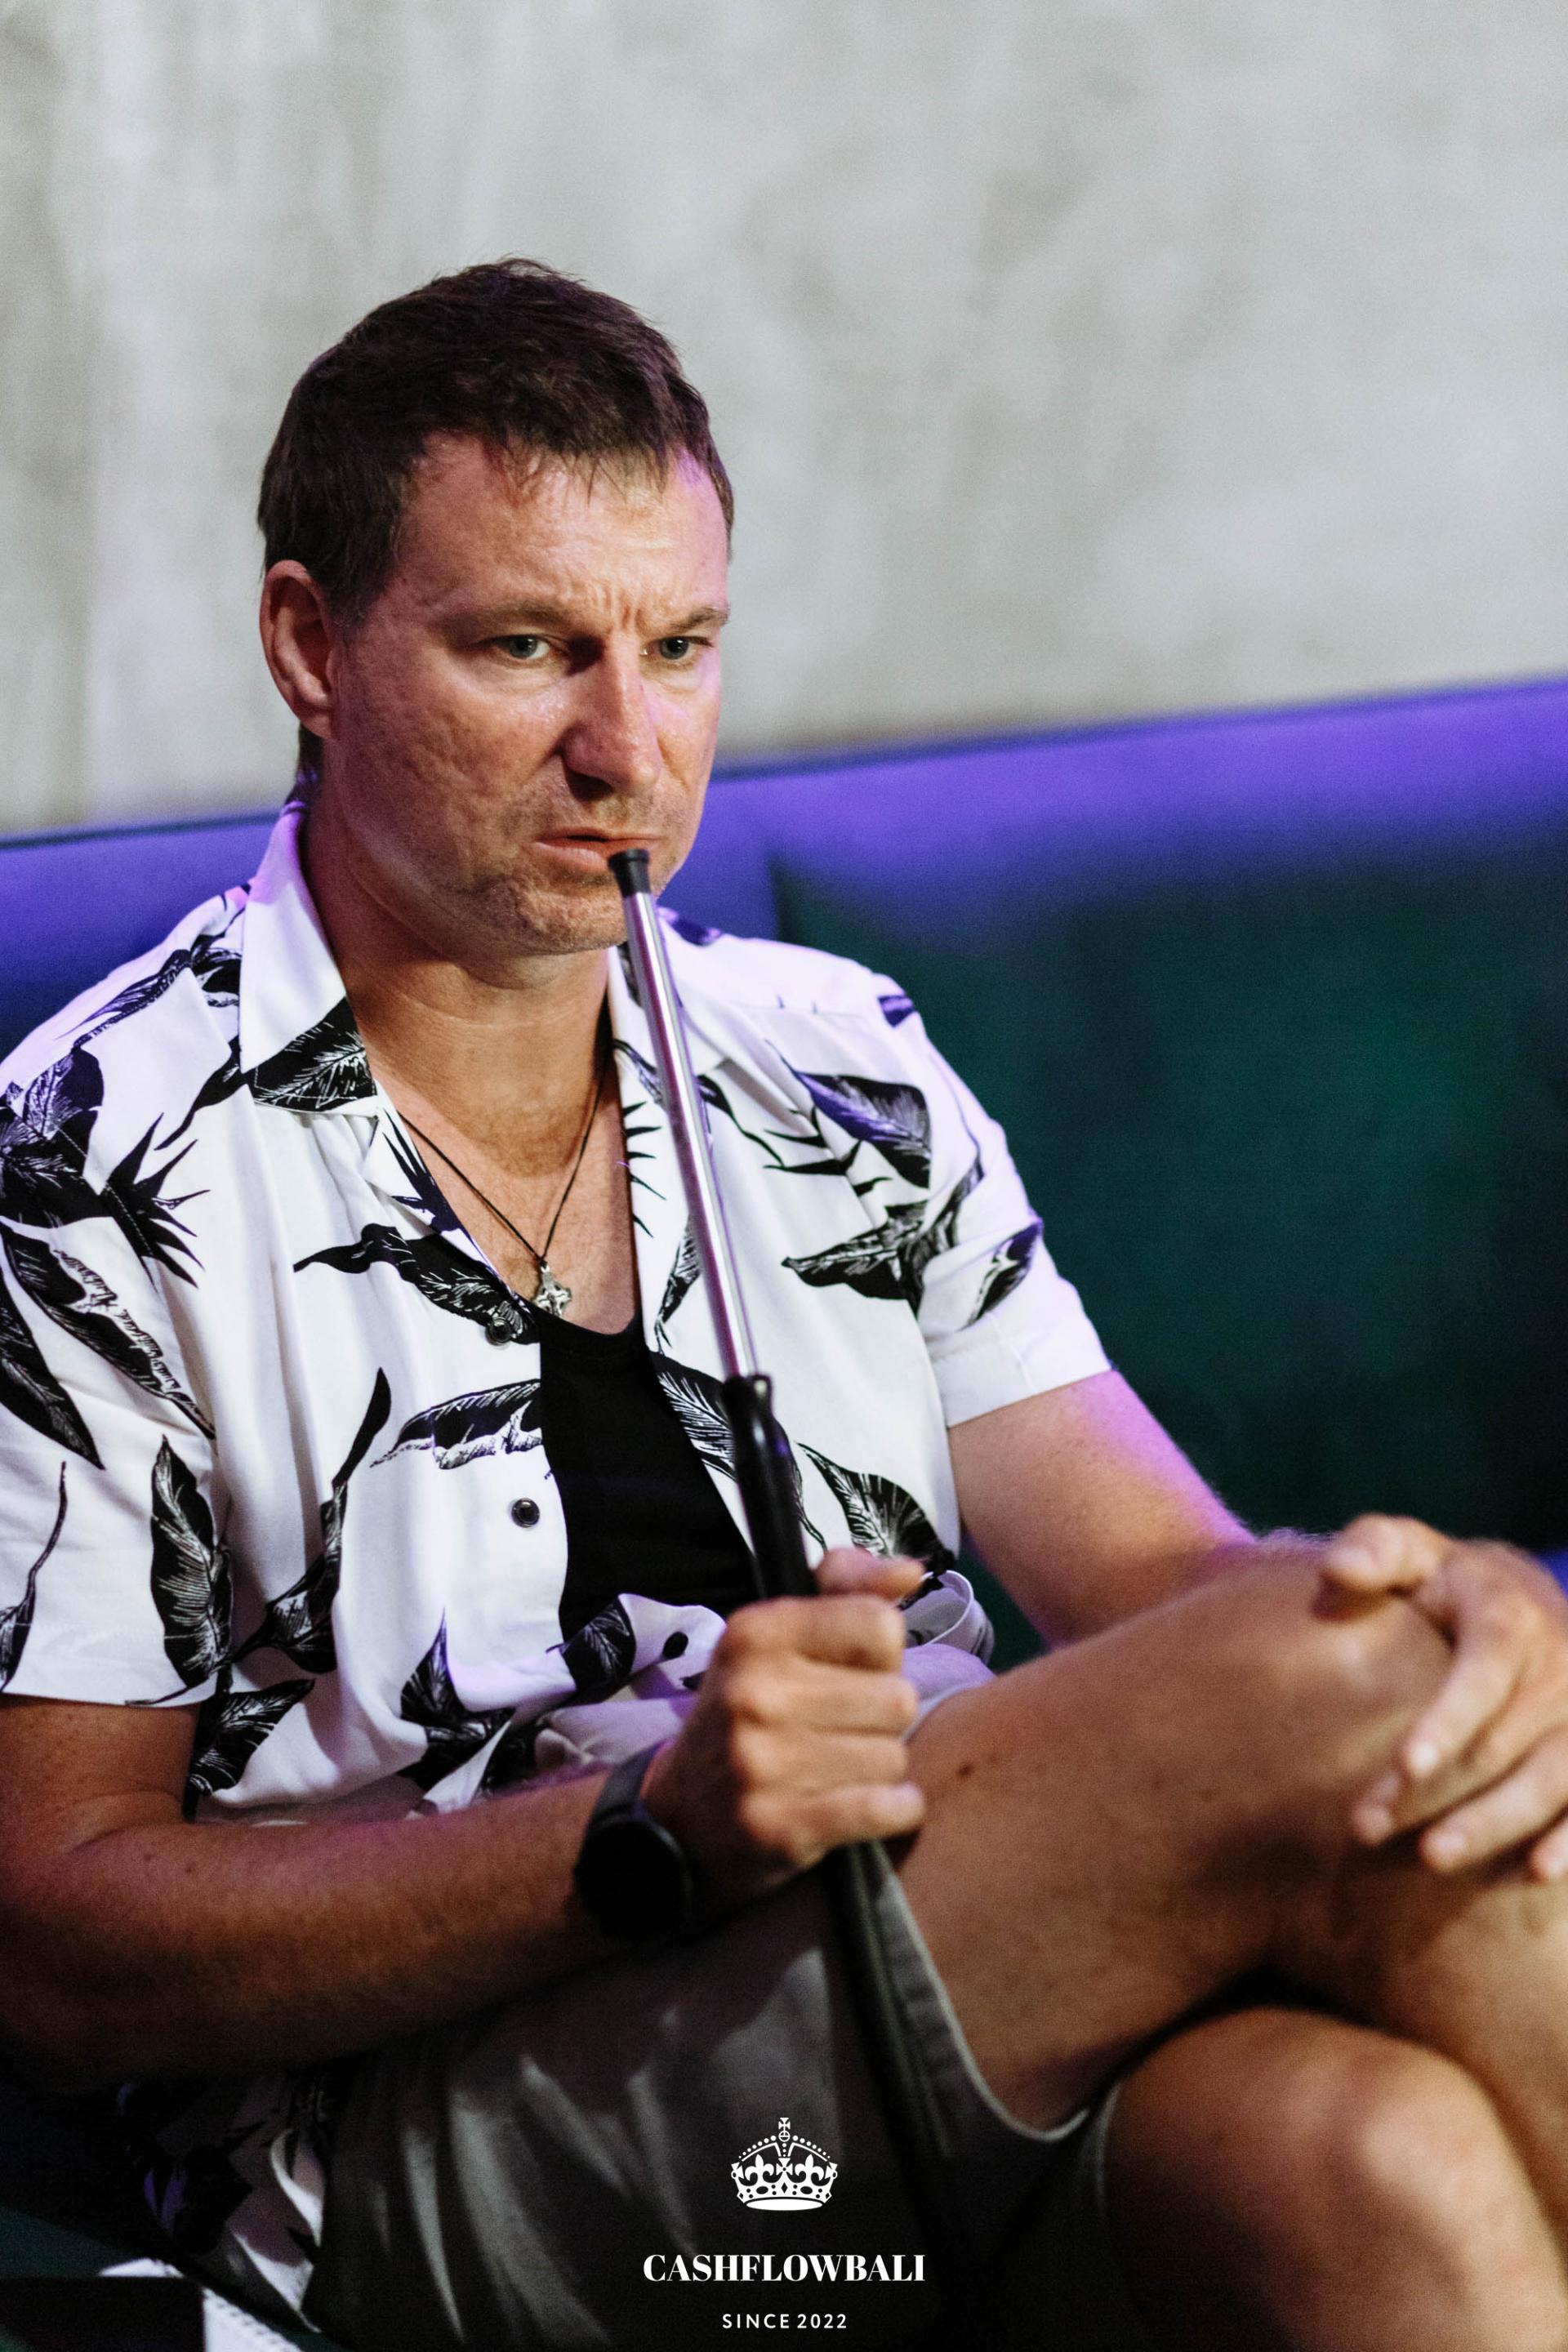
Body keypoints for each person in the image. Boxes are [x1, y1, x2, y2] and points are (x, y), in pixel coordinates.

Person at [2, 260, 1568, 2352]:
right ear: (309, 644)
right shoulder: (90, 1161)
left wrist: (1454, 1609)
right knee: (1355, 1689)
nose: (624, 747)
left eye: (679, 648)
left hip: (922, 1973)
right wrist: (644, 1831)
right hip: (413, 2139)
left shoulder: (836, 1058)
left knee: (1373, 2163)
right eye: (527, 647)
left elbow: (1173, 1586)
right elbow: (55, 1943)